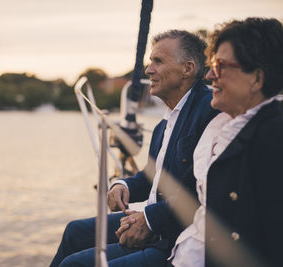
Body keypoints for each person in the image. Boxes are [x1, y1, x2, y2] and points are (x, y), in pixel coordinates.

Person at [50, 30, 219, 267]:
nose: (148, 70)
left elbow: (202, 194)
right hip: (155, 220)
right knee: (75, 231)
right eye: (150, 61)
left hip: (175, 235)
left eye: (158, 61)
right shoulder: (165, 124)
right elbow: (152, 176)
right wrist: (123, 184)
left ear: (188, 69)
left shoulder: (210, 112)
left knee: (74, 264)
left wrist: (148, 220)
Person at [167, 17, 283, 267]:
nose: (209, 75)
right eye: (210, 65)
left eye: (219, 66)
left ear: (256, 78)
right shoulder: (222, 126)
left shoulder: (273, 140)